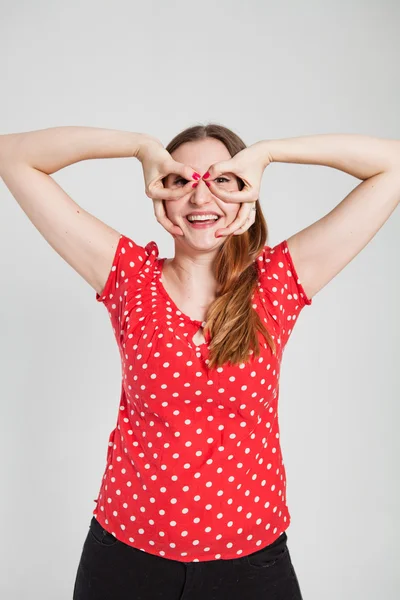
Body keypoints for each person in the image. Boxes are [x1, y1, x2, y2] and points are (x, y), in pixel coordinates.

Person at [1, 124, 399, 600]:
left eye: (222, 179)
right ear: (160, 194)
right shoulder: (129, 276)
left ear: (246, 193)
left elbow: (391, 166)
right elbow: (12, 156)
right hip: (126, 561)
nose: (199, 194)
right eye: (181, 180)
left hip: (252, 564)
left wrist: (269, 154)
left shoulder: (275, 284)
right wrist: (138, 148)